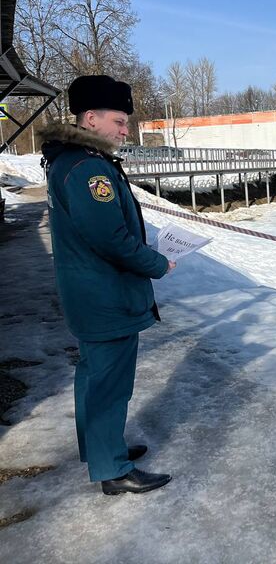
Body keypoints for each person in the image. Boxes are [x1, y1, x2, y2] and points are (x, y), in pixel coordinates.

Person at [40, 75, 175, 495]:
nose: (125, 130)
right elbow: (109, 237)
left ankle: (102, 450)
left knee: (94, 378)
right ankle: (113, 469)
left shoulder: (72, 160)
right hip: (104, 296)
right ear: (90, 118)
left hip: (91, 292)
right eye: (119, 121)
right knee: (109, 385)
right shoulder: (87, 168)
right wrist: (157, 263)